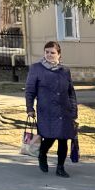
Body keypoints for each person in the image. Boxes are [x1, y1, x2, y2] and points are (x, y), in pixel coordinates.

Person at [25, 40, 78, 177]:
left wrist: (73, 111)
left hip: (64, 111)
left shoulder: (65, 70)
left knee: (63, 139)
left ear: (59, 55)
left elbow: (70, 92)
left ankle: (60, 168)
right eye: (47, 52)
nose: (49, 55)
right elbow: (30, 90)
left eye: (52, 53)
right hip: (46, 110)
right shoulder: (36, 68)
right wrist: (29, 108)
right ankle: (42, 154)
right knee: (48, 137)